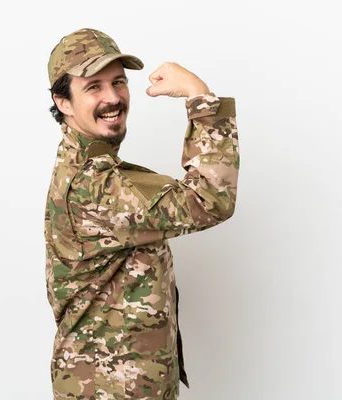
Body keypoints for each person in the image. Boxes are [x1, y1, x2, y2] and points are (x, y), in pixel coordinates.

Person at [44, 27, 240, 399]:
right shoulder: (93, 186)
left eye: (118, 82)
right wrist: (200, 96)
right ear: (63, 102)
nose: (113, 97)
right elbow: (211, 198)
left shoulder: (97, 167)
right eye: (93, 87)